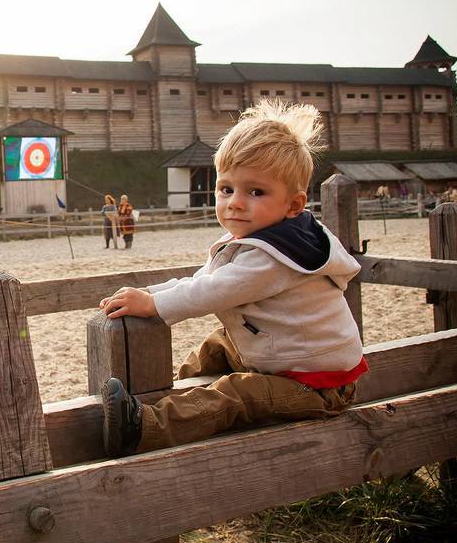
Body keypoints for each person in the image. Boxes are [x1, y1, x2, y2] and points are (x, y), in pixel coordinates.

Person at [97, 100, 367, 457]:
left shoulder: (274, 258)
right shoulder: (265, 237)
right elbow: (205, 277)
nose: (236, 203)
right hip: (280, 355)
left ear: (294, 205)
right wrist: (151, 292)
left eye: (255, 192)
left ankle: (146, 427)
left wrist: (153, 304)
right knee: (216, 345)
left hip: (315, 384)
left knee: (237, 394)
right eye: (226, 189)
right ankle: (175, 393)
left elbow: (212, 291)